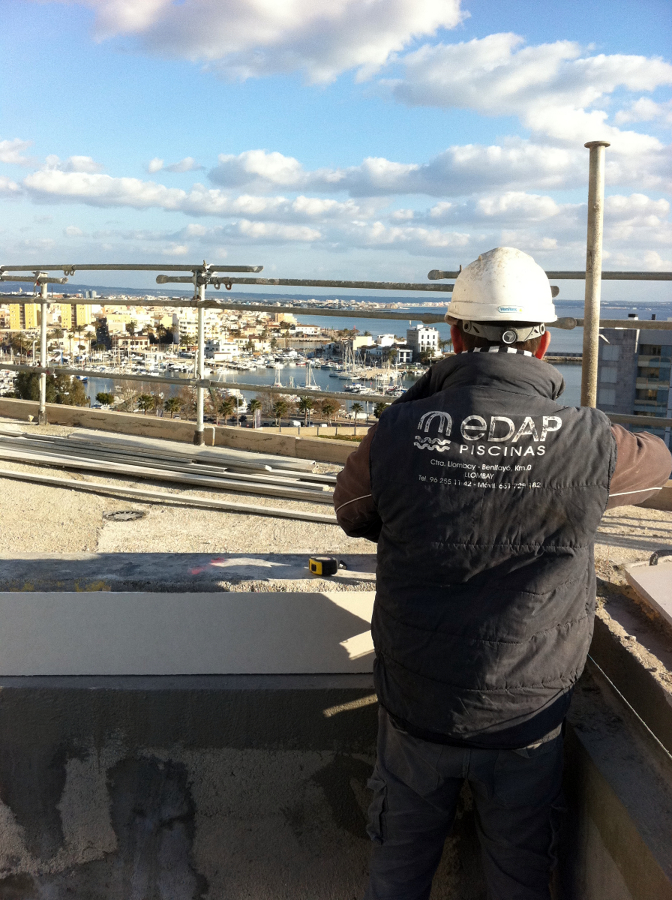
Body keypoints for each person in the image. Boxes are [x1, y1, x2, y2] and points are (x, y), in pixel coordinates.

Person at [333, 247, 672, 900]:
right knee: (521, 881)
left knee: (396, 879)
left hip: (417, 712)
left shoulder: (401, 429)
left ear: (454, 338)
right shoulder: (590, 441)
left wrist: (421, 408)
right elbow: (658, 462)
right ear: (545, 341)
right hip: (527, 717)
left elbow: (353, 509)